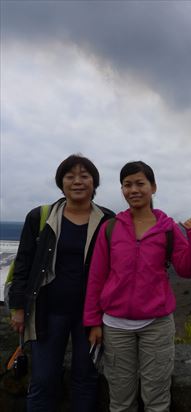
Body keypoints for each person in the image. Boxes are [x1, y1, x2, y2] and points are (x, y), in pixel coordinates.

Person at [83, 161, 191, 412]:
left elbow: (187, 269)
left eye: (140, 183)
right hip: (115, 326)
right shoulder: (111, 228)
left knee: (157, 399)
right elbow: (96, 277)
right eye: (127, 185)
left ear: (153, 187)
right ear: (122, 190)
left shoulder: (168, 229)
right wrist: (93, 322)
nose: (133, 190)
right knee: (120, 400)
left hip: (156, 325)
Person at [9, 154, 115, 412]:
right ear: (61, 182)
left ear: (94, 182)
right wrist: (18, 308)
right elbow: (24, 263)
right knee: (43, 380)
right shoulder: (40, 217)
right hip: (47, 312)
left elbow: (116, 269)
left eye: (84, 176)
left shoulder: (107, 221)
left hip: (90, 316)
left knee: (86, 379)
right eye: (70, 176)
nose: (77, 181)